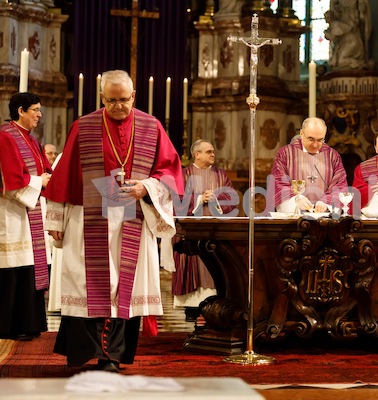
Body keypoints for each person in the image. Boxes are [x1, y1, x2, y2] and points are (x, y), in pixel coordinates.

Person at [44, 70, 184, 373]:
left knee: (125, 288)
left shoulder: (152, 126)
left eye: (123, 100)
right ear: (101, 97)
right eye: (111, 101)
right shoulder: (83, 126)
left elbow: (170, 173)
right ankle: (85, 352)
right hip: (87, 219)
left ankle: (113, 356)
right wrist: (55, 218)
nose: (118, 106)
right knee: (87, 284)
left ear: (133, 96)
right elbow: (63, 175)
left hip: (132, 217)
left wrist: (144, 187)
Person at [0, 92, 52, 341]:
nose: (39, 115)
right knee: (14, 268)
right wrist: (38, 181)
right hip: (12, 214)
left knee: (29, 266)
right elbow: (9, 180)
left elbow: (47, 171)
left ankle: (29, 324)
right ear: (20, 110)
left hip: (30, 211)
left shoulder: (31, 140)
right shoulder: (6, 137)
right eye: (35, 110)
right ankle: (9, 325)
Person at [173, 139, 235, 322]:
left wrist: (215, 197)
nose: (213, 154)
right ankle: (191, 308)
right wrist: (200, 199)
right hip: (191, 231)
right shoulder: (183, 175)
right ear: (196, 154)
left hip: (216, 231)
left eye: (213, 151)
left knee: (214, 269)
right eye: (208, 152)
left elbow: (231, 196)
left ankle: (215, 305)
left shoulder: (221, 175)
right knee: (194, 264)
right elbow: (177, 200)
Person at [272, 117, 348, 213]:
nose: (315, 145)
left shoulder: (332, 156)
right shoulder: (285, 154)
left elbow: (340, 184)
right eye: (311, 139)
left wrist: (327, 202)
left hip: (323, 218)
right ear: (301, 134)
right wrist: (296, 199)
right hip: (294, 217)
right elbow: (278, 182)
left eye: (320, 140)